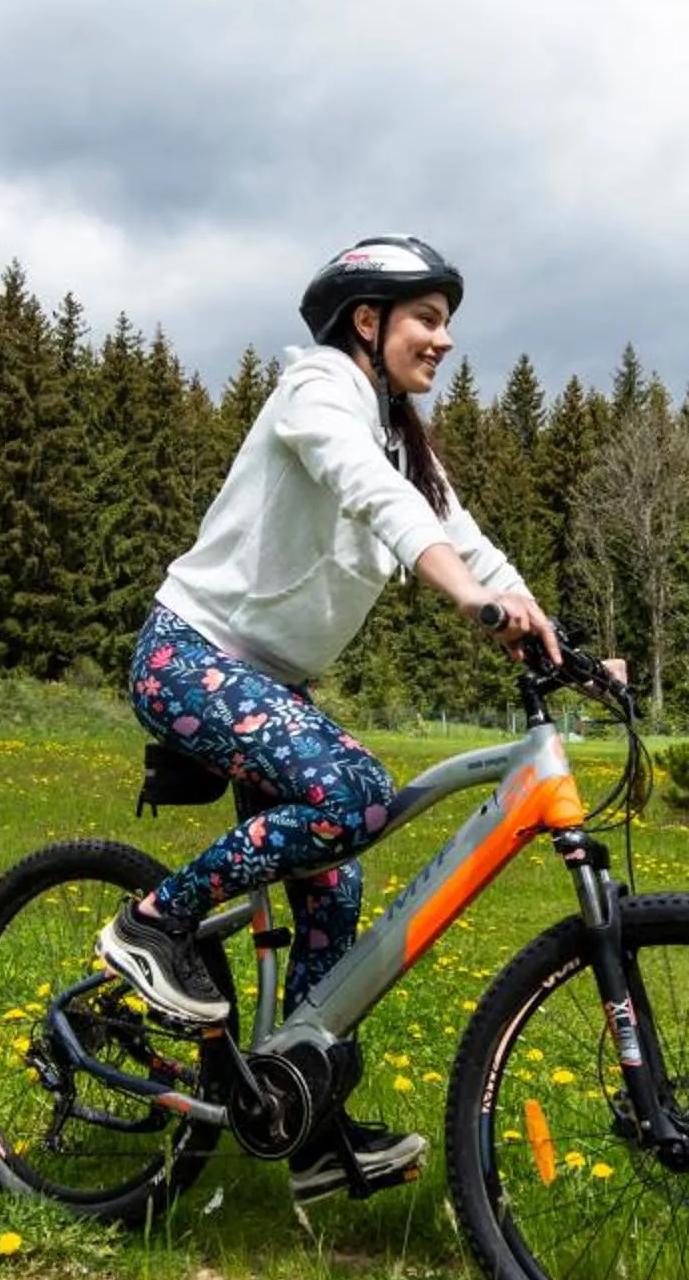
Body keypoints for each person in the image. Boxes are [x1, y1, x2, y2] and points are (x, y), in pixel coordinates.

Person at [101, 236, 556, 1202]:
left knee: (334, 886)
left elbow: (461, 535)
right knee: (355, 792)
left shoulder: (403, 437)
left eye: (445, 321)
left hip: (268, 685)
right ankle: (155, 923)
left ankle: (299, 1119)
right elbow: (374, 497)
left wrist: (554, 635)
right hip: (191, 655)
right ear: (368, 320)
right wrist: (467, 604)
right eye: (427, 318)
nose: (444, 339)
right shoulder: (318, 391)